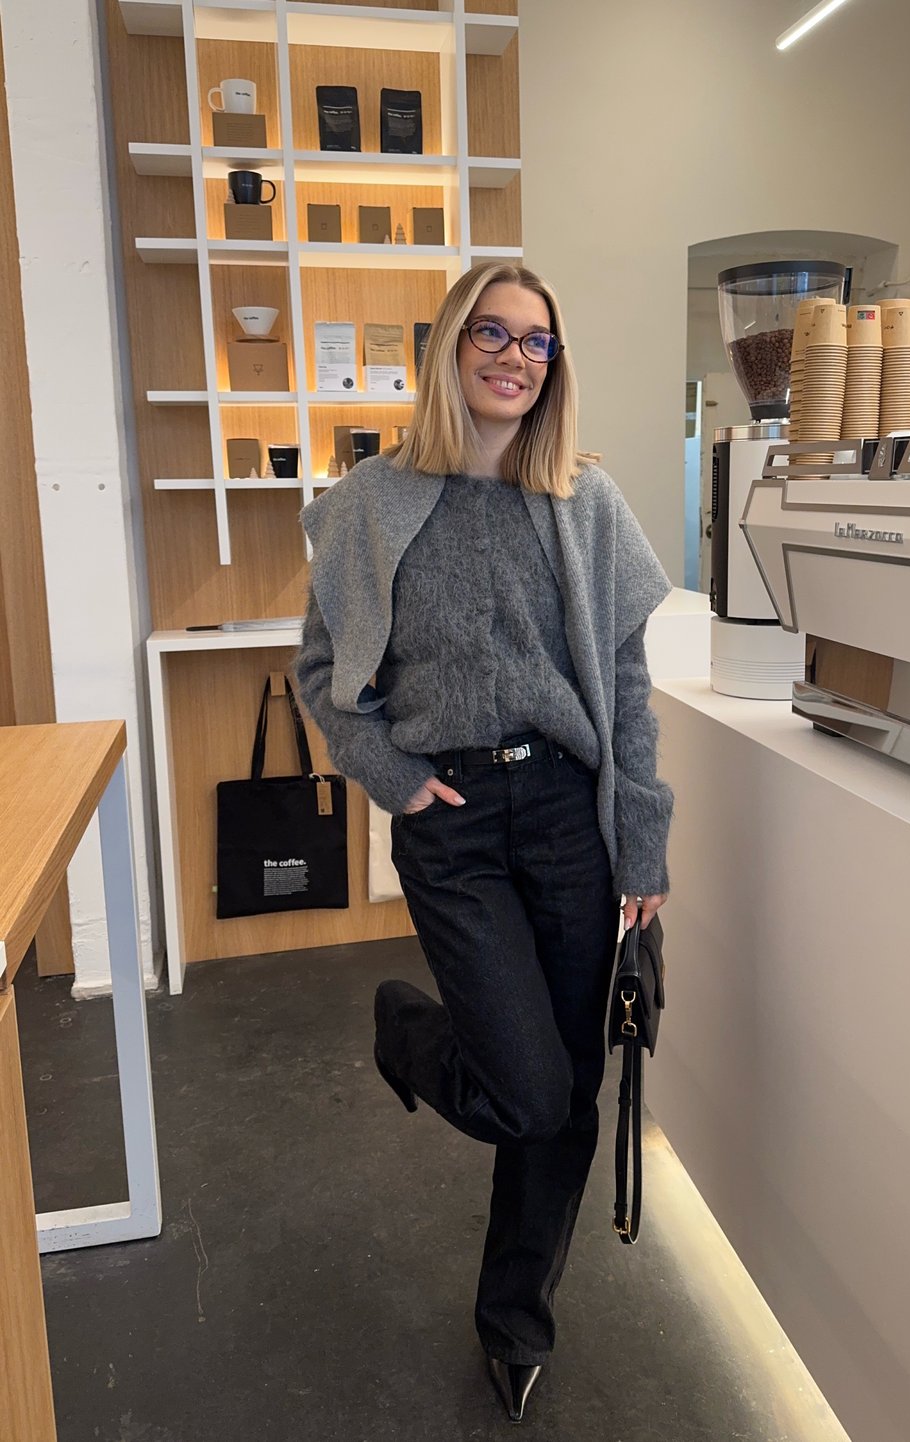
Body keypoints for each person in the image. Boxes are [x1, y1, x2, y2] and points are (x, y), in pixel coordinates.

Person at [295, 262, 673, 1423]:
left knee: (568, 1094)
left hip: (566, 814)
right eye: (493, 334)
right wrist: (393, 780)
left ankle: (515, 1320)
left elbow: (621, 679)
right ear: (452, 346)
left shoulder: (583, 500)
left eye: (538, 343)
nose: (515, 357)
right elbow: (321, 675)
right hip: (450, 822)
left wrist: (641, 846)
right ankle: (411, 1032)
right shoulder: (369, 503)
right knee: (524, 1085)